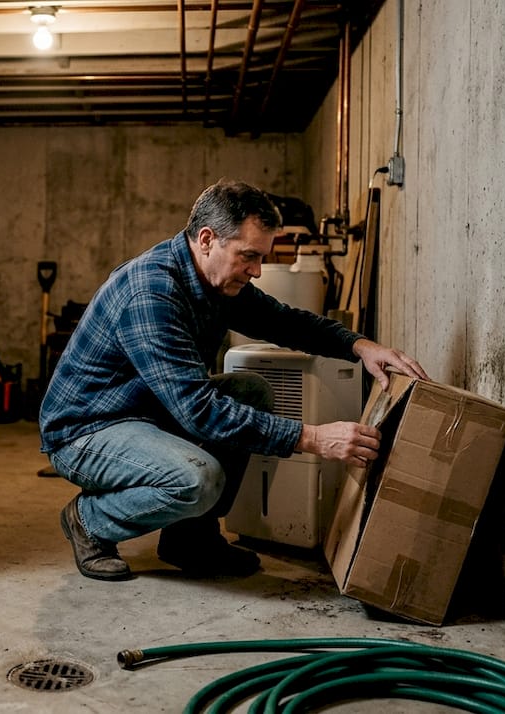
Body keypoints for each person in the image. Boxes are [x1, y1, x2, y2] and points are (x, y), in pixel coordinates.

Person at [39, 178, 429, 581]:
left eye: (261, 258)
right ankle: (89, 520)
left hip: (143, 410)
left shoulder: (214, 280)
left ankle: (189, 539)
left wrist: (360, 345)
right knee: (198, 479)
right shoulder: (152, 294)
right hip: (87, 430)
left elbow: (282, 320)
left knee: (249, 391)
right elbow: (199, 413)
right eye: (249, 256)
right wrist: (315, 438)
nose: (257, 271)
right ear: (207, 239)